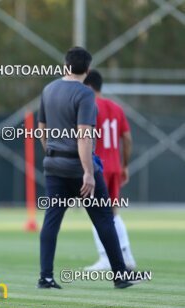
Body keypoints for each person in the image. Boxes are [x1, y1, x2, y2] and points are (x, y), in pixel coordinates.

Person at [37, 47, 135, 289]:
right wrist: (88, 172)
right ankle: (120, 275)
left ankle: (46, 277)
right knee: (104, 218)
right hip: (78, 167)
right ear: (88, 69)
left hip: (54, 165)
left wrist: (50, 151)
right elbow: (84, 136)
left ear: (65, 65)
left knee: (51, 221)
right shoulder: (85, 94)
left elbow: (41, 127)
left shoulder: (48, 89)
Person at [83, 70, 136, 270]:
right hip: (114, 165)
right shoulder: (116, 107)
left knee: (97, 213)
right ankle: (127, 256)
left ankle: (106, 257)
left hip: (98, 165)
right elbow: (128, 138)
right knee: (113, 213)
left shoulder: (89, 106)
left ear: (88, 87)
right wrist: (125, 164)